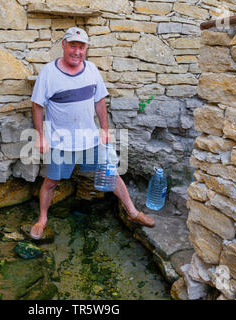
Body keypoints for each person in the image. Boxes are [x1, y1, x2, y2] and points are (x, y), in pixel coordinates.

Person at [29, 27, 155, 240]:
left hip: (90, 138)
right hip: (61, 140)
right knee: (51, 182)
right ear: (63, 45)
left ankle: (133, 213)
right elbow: (37, 106)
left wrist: (105, 130)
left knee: (111, 173)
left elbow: (99, 101)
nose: (77, 52)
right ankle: (42, 219)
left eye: (81, 47)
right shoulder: (48, 73)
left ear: (86, 49)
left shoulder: (92, 70)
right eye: (73, 46)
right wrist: (41, 136)